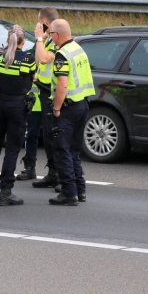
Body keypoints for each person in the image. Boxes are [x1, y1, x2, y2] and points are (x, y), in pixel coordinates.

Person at [0, 26, 36, 206]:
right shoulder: (27, 59)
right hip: (17, 106)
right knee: (12, 149)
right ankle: (5, 192)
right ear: (22, 41)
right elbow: (32, 78)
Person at [48, 19, 95, 206]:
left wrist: (57, 108)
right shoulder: (78, 48)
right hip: (82, 104)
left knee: (62, 149)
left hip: (68, 107)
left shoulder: (61, 55)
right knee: (74, 150)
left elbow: (62, 84)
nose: (50, 37)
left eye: (50, 34)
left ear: (57, 35)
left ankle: (68, 193)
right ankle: (80, 190)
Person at [28, 7, 62, 188]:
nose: (36, 26)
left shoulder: (56, 42)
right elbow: (36, 59)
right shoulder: (48, 41)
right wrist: (41, 39)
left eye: (38, 22)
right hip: (44, 91)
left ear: (45, 24)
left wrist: (40, 38)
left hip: (52, 93)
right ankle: (52, 173)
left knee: (55, 135)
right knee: (47, 134)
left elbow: (42, 59)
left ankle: (60, 174)